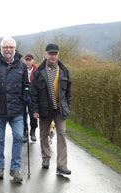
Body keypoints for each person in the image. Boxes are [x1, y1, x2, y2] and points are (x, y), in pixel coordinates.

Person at [0, 37, 29, 183]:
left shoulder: (21, 65)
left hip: (17, 110)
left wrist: (27, 93)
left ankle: (15, 168)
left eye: (11, 47)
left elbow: (26, 84)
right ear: (1, 48)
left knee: (19, 137)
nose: (8, 50)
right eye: (5, 47)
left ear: (15, 48)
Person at [31, 43, 72, 175]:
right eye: (50, 54)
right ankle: (46, 158)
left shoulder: (64, 71)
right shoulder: (38, 72)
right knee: (43, 135)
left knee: (62, 134)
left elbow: (68, 92)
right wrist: (35, 109)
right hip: (44, 109)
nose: (53, 56)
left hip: (60, 110)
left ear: (58, 55)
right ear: (46, 54)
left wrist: (67, 105)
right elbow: (34, 92)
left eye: (55, 54)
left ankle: (61, 165)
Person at [23, 54, 38, 143]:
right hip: (23, 95)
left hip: (33, 96)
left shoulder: (37, 71)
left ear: (33, 61)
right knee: (23, 115)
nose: (28, 62)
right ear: (24, 61)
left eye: (30, 60)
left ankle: (32, 132)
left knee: (33, 115)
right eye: (26, 60)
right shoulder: (21, 70)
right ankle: (24, 132)